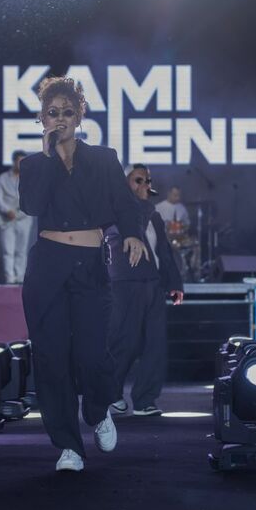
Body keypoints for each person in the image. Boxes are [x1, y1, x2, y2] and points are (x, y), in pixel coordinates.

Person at [18, 76, 147, 473]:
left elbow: (124, 204)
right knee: (51, 359)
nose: (60, 118)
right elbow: (32, 205)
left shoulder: (103, 159)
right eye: (52, 113)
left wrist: (133, 234)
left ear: (79, 116)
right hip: (47, 267)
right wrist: (48, 156)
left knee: (92, 353)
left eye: (67, 112)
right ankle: (68, 446)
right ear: (42, 119)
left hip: (90, 265)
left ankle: (98, 409)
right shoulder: (34, 165)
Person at [106, 165, 185, 417]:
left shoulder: (153, 213)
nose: (144, 186)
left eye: (147, 181)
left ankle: (145, 399)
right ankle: (110, 394)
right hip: (125, 283)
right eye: (137, 180)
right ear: (125, 183)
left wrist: (175, 283)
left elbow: (164, 251)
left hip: (153, 283)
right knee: (125, 342)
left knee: (155, 344)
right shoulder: (114, 210)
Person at [0, 149, 35, 285]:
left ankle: (20, 277)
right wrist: (7, 210)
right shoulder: (2, 179)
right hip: (7, 219)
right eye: (19, 162)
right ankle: (10, 278)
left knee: (21, 250)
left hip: (24, 219)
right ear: (13, 162)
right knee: (8, 250)